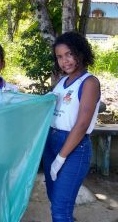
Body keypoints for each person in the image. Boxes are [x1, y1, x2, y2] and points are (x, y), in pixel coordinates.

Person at [42, 31, 100, 221]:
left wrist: (61, 157)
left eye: (69, 54)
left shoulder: (89, 82)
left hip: (74, 148)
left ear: (80, 52)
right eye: (59, 56)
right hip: (52, 143)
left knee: (60, 210)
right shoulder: (61, 82)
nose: (64, 61)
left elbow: (82, 124)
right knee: (55, 200)